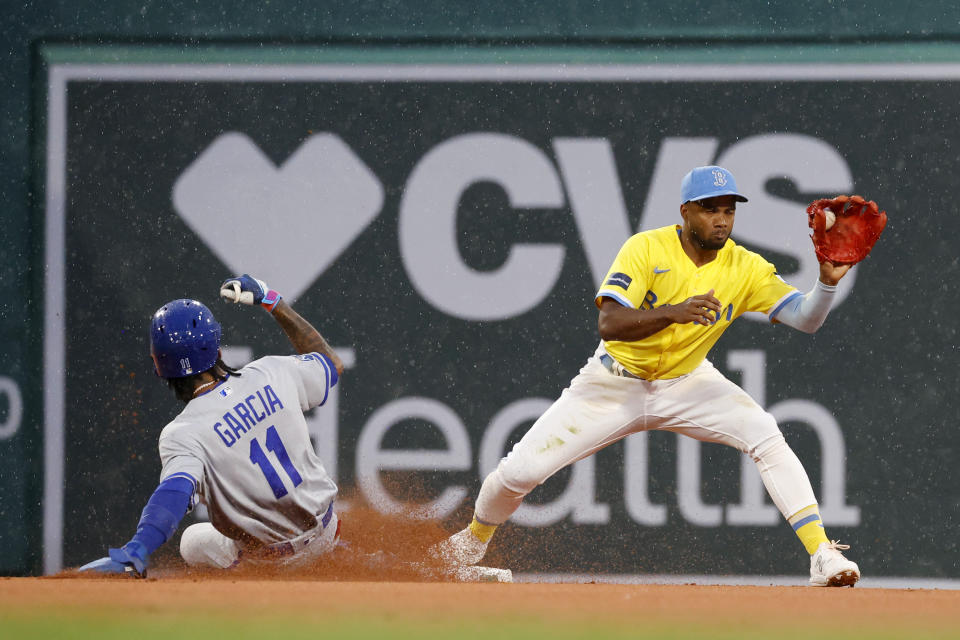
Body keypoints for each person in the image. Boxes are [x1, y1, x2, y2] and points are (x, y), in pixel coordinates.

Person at [433, 165, 861, 587]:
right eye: (709, 208)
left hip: (686, 383)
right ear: (685, 212)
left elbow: (806, 320)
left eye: (729, 209)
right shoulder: (646, 249)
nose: (721, 219)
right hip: (612, 382)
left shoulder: (744, 267)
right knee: (517, 474)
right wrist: (673, 313)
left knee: (764, 431)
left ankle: (821, 553)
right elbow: (610, 324)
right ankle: (467, 547)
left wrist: (825, 284)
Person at [79, 274, 344, 576]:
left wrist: (138, 546)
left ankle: (241, 598)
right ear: (217, 350)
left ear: (158, 367)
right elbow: (330, 363)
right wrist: (273, 301)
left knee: (191, 542)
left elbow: (174, 494)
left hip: (274, 564)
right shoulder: (272, 371)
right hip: (328, 534)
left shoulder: (183, 434)